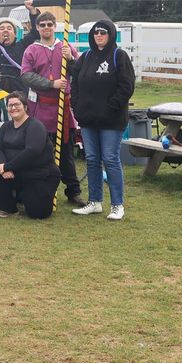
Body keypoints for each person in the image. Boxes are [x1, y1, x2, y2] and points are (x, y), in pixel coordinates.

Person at [70, 19, 135, 221]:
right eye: (96, 32)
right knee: (92, 160)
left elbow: (126, 87)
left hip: (111, 121)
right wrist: (77, 106)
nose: (99, 35)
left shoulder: (119, 56)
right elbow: (76, 82)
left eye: (103, 33)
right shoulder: (86, 57)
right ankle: (95, 202)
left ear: (111, 35)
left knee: (110, 159)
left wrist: (111, 108)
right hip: (88, 120)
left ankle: (117, 205)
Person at [20, 11, 84, 206]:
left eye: (49, 24)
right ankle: (40, 189)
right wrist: (51, 84)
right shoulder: (31, 50)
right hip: (40, 107)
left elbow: (80, 72)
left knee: (66, 152)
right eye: (42, 25)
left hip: (62, 109)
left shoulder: (65, 47)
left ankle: (73, 192)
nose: (46, 28)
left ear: (54, 26)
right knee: (39, 150)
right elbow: (26, 75)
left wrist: (71, 59)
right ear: (37, 28)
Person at [0, 91, 61, 219]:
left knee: (38, 213)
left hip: (38, 174)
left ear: (25, 107)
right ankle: (7, 207)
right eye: (10, 105)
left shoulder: (35, 126)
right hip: (16, 172)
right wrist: (1, 166)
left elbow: (32, 151)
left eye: (17, 104)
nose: (13, 108)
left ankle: (25, 197)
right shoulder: (6, 127)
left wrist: (8, 167)